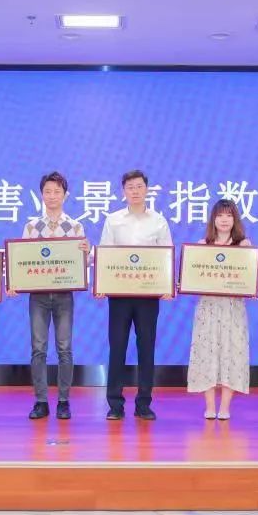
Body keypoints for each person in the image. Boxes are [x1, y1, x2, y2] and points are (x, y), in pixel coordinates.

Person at [8, 172, 89, 420]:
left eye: (57, 191)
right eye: (48, 191)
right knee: (38, 349)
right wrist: (14, 282)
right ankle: (41, 401)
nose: (52, 196)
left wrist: (87, 252)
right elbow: (21, 261)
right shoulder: (32, 227)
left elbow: (83, 264)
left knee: (65, 349)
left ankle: (64, 401)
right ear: (41, 194)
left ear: (65, 195)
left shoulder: (75, 227)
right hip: (38, 297)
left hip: (64, 296)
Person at [98, 170, 173, 421]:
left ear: (147, 189)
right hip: (119, 295)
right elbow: (105, 254)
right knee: (117, 347)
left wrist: (167, 286)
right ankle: (115, 404)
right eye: (130, 187)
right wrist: (101, 283)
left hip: (148, 296)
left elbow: (166, 256)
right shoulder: (113, 220)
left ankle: (144, 404)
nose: (135, 191)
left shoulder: (159, 221)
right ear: (124, 191)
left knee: (147, 347)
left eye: (139, 186)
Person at [187, 199, 252, 420]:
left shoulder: (244, 245)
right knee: (206, 353)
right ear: (213, 219)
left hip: (233, 308)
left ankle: (225, 407)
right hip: (208, 307)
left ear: (235, 219)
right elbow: (193, 276)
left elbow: (249, 277)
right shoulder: (202, 244)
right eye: (220, 215)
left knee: (232, 353)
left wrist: (250, 286)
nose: (224, 220)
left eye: (229, 215)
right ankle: (209, 406)